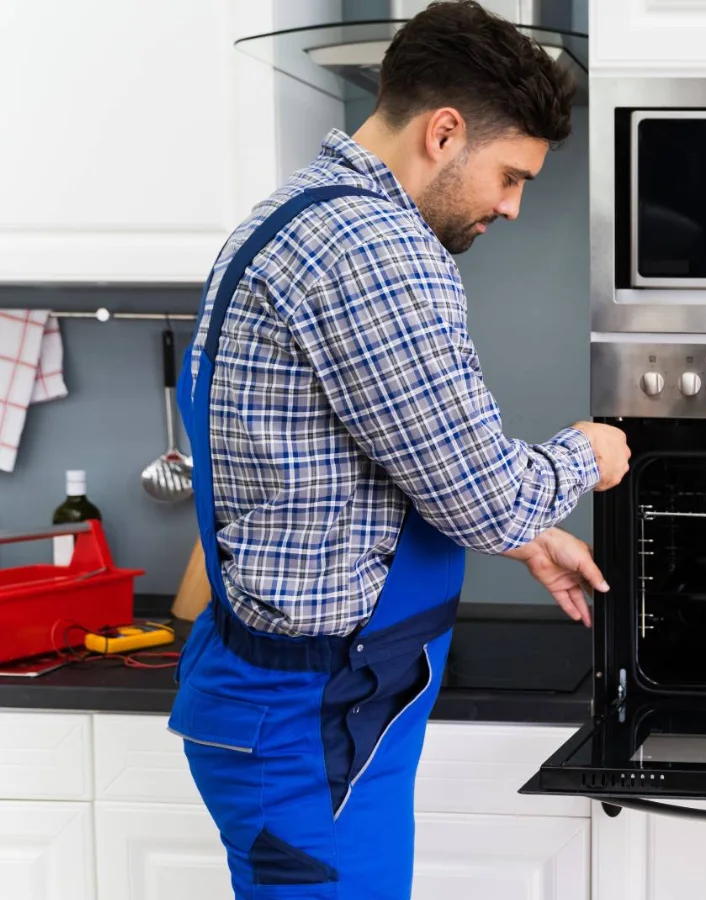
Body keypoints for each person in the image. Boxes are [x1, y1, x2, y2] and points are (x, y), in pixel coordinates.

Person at [166, 3, 629, 897]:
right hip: (308, 722)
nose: (513, 205)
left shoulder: (299, 215)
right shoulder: (374, 249)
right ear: (444, 132)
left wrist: (531, 537)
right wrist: (585, 452)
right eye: (509, 174)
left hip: (318, 709)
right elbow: (484, 497)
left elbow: (366, 461)